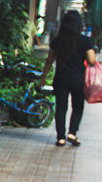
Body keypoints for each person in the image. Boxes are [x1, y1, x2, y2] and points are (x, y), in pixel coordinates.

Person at [39, 10, 96, 146]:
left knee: (61, 108)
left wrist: (43, 78)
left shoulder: (57, 41)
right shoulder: (85, 41)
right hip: (78, 80)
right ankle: (72, 133)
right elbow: (92, 60)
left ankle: (61, 137)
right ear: (79, 25)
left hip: (61, 79)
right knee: (77, 106)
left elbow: (49, 61)